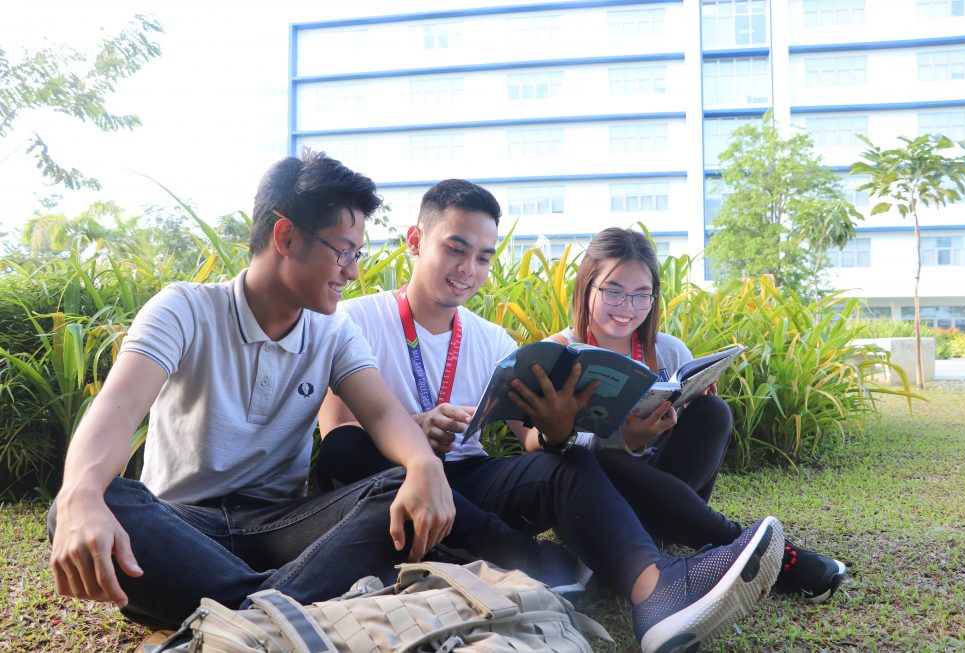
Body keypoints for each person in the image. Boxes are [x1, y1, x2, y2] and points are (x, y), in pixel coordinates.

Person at [317, 178, 786, 653]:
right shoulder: (355, 320)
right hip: (395, 477)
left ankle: (656, 593)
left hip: (471, 476)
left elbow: (531, 440)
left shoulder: (494, 341)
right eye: (455, 249)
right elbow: (336, 432)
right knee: (346, 449)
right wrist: (415, 433)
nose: (468, 269)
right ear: (416, 241)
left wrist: (556, 429)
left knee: (570, 460)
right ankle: (519, 554)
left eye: (484, 257)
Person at [47, 151, 456, 630]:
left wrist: (423, 463)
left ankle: (243, 622)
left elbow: (384, 414)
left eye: (356, 255)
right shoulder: (184, 310)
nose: (353, 271)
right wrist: (80, 493)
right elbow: (117, 408)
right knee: (96, 501)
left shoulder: (333, 332)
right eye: (344, 251)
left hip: (280, 527)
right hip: (182, 528)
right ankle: (292, 613)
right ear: (286, 237)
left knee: (394, 489)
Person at [528, 226, 847, 604]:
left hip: (661, 491)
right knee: (595, 455)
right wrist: (626, 439)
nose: (628, 307)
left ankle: (648, 545)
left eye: (642, 295)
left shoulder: (668, 351)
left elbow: (688, 431)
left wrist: (690, 401)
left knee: (714, 411)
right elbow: (542, 450)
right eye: (613, 291)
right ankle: (748, 546)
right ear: (587, 286)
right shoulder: (555, 355)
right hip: (591, 502)